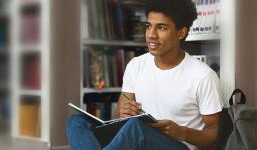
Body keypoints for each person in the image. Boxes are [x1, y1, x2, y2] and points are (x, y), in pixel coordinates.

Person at [67, 0, 223, 149]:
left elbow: (214, 135)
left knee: (136, 128)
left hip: (177, 145)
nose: (151, 35)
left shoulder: (203, 76)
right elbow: (117, 117)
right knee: (77, 121)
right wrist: (122, 114)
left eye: (161, 27)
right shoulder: (136, 65)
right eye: (149, 26)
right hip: (137, 141)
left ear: (181, 32)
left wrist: (182, 132)